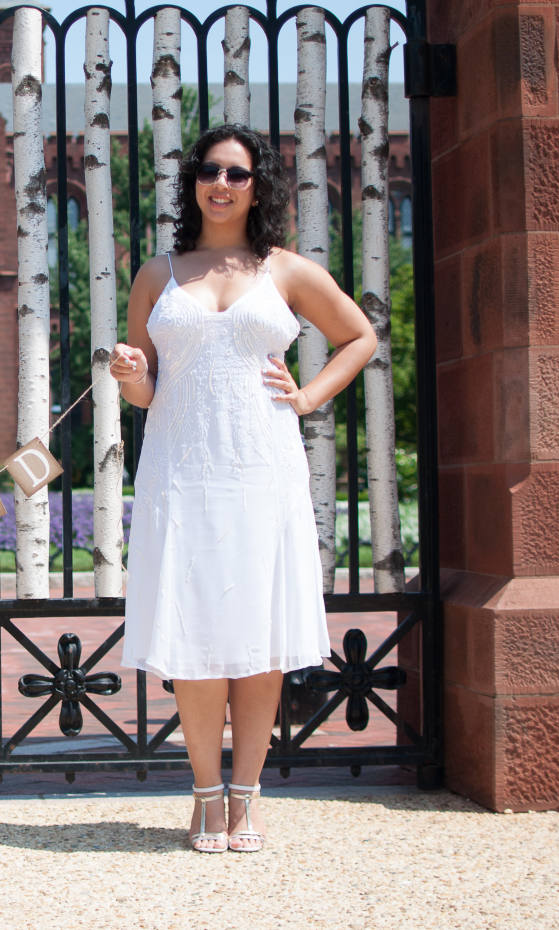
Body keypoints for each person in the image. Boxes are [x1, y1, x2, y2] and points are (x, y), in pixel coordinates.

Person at [110, 124, 376, 853]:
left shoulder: (284, 269)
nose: (219, 184)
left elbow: (360, 336)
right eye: (207, 170)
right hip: (182, 470)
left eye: (235, 172)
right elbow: (145, 387)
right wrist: (134, 376)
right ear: (192, 180)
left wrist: (310, 396)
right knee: (194, 638)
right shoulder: (157, 274)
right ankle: (202, 796)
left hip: (263, 468)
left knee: (258, 641)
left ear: (258, 185)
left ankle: (247, 798)